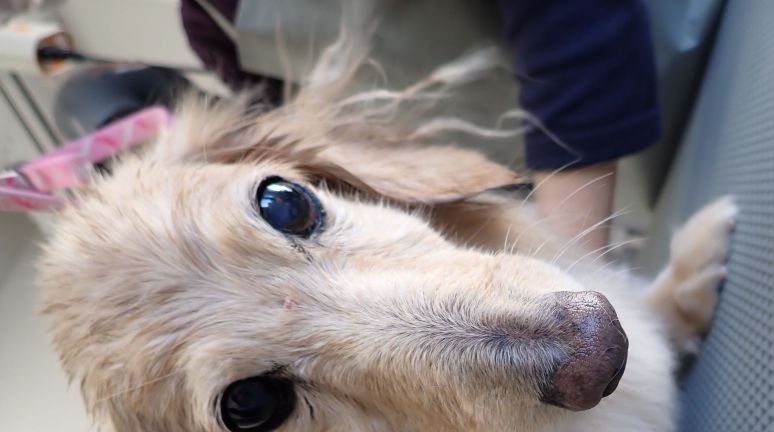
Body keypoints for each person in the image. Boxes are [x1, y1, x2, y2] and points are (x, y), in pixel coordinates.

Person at [180, 0, 661, 253]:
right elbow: (307, 141)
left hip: (619, 146)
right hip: (468, 204)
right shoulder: (210, 18)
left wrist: (578, 268)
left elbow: (575, 24)